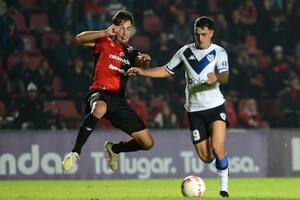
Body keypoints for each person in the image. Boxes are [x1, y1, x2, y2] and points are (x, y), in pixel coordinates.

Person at [128, 16, 230, 197]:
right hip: (195, 111)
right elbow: (166, 70)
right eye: (197, 34)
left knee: (217, 147)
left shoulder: (219, 52)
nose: (200, 38)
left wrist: (217, 77)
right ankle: (222, 164)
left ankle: (224, 189)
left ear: (211, 33)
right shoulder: (185, 52)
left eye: (204, 34)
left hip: (215, 106)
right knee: (206, 157)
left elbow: (225, 76)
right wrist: (143, 72)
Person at [62, 10, 154, 173]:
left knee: (147, 143)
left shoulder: (131, 52)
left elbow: (142, 66)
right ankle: (75, 152)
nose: (126, 32)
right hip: (99, 93)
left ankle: (115, 149)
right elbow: (79, 38)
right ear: (115, 28)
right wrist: (104, 32)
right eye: (122, 28)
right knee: (99, 107)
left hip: (118, 101)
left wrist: (144, 60)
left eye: (129, 28)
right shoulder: (103, 42)